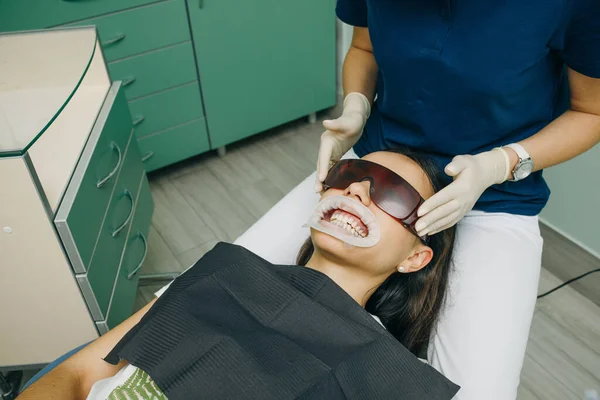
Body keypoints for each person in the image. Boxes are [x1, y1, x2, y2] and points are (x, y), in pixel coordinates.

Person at [236, 1, 600, 398]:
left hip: (495, 194)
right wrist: (356, 106)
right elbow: (364, 49)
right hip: (380, 161)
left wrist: (502, 163)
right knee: (226, 276)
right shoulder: (361, 184)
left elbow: (591, 111)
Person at [18, 150, 460, 400]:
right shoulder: (224, 269)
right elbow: (78, 375)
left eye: (394, 196)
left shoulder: (395, 379)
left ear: (415, 259)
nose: (357, 190)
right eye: (349, 174)